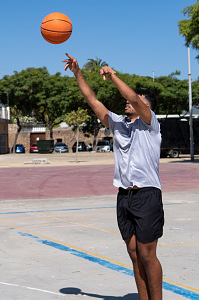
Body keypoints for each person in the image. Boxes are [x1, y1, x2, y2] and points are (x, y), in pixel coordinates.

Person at [63, 53, 164, 300]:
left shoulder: (151, 124)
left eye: (136, 101)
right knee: (133, 252)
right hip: (124, 196)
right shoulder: (118, 123)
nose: (128, 103)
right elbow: (92, 99)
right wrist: (78, 73)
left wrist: (113, 75)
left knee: (147, 253)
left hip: (147, 193)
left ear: (145, 106)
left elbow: (130, 96)